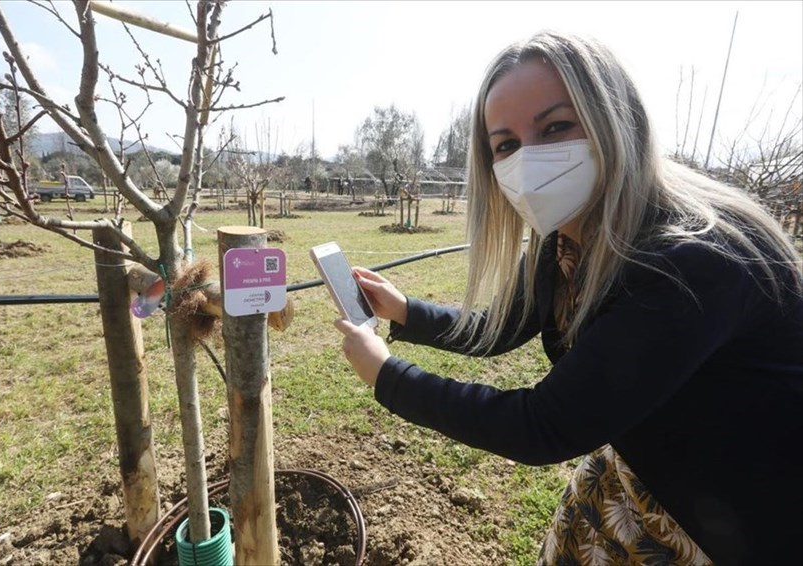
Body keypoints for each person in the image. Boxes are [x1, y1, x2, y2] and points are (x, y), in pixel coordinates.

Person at [332, 31, 803, 565]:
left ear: (616, 120)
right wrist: (406, 311)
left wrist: (387, 376)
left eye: (556, 127)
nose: (529, 160)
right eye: (505, 144)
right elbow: (502, 326)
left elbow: (543, 425)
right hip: (637, 474)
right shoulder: (565, 235)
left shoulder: (695, 260)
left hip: (735, 526)